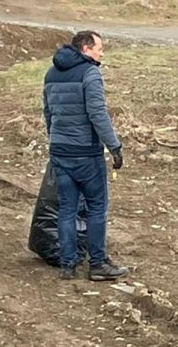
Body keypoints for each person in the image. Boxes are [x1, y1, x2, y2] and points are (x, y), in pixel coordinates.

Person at [42, 30, 128, 282]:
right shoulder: (90, 73)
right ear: (86, 49)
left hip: (60, 149)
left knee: (67, 208)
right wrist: (114, 146)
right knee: (96, 208)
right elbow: (98, 114)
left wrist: (55, 140)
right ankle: (98, 263)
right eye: (99, 48)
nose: (101, 53)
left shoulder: (51, 74)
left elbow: (48, 112)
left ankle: (67, 264)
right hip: (86, 153)